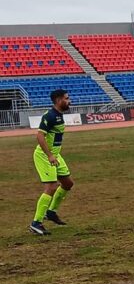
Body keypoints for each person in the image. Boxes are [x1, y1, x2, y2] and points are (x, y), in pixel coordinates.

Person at [29, 89, 74, 235]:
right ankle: (36, 223)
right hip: (44, 156)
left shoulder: (59, 115)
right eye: (67, 98)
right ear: (58, 100)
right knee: (52, 186)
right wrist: (49, 155)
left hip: (55, 155)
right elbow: (40, 136)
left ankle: (51, 212)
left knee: (68, 183)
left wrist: (54, 154)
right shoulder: (50, 116)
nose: (69, 101)